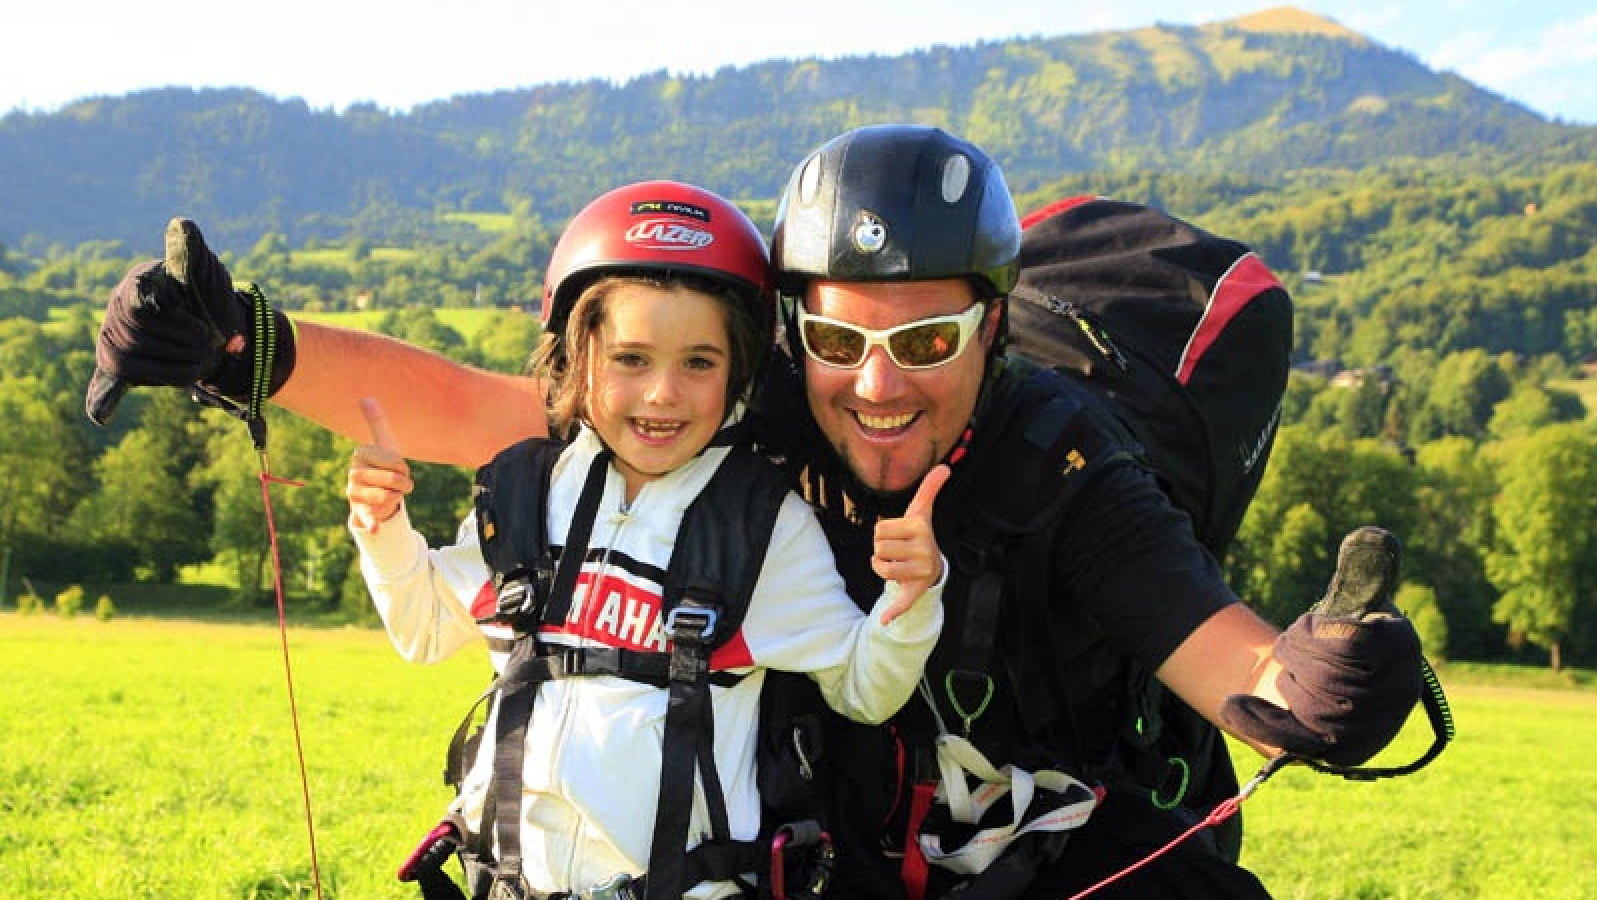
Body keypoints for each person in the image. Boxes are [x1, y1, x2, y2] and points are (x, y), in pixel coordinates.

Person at [88, 125, 1425, 900]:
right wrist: (241, 349)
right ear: (796, 330)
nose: (879, 387)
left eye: (931, 340)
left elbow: (1222, 647)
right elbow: (493, 415)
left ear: (995, 327)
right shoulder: (762, 408)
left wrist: (1313, 677)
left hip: (1071, 840)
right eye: (841, 343)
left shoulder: (1065, 466)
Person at [345, 181, 948, 900]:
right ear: (577, 357)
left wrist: (912, 600)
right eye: (631, 359)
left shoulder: (760, 526)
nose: (663, 394)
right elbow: (425, 629)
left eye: (699, 363)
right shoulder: (523, 495)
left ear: (740, 373)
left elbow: (864, 685)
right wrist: (382, 531)